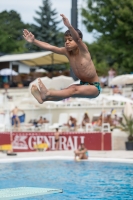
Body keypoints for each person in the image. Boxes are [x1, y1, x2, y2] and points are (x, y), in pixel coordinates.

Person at [23, 14, 101, 103]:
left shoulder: (83, 51)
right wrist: (34, 41)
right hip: (83, 84)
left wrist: (69, 26)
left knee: (73, 89)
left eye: (70, 40)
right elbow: (50, 47)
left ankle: (48, 93)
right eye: (65, 40)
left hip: (94, 87)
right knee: (67, 90)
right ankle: (43, 99)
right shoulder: (67, 52)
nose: (67, 42)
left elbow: (78, 40)